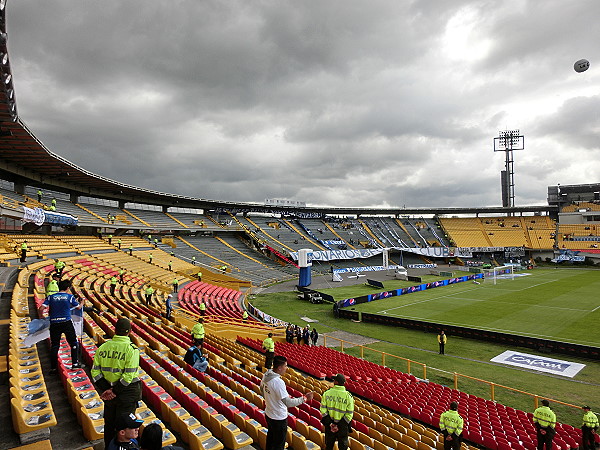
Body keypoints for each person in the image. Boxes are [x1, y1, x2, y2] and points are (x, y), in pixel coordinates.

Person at [92, 318, 142, 447]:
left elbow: (95, 373)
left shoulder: (102, 347)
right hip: (126, 393)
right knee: (126, 427)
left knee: (109, 424)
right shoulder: (132, 349)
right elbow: (128, 376)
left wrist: (107, 389)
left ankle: (109, 447)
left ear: (115, 330)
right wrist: (114, 391)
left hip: (109, 394)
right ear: (130, 332)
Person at [260, 356, 313, 450]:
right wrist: (304, 398)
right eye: (285, 366)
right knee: (279, 444)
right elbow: (288, 402)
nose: (286, 368)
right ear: (279, 367)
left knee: (271, 438)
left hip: (269, 413)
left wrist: (271, 400)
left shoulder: (266, 375)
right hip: (278, 417)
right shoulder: (278, 382)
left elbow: (262, 390)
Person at [39, 279, 82, 374]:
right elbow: (78, 307)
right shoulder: (69, 297)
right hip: (66, 322)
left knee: (55, 345)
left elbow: (41, 308)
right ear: (67, 288)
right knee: (73, 342)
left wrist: (41, 316)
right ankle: (75, 363)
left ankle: (53, 368)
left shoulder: (51, 297)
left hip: (54, 323)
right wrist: (82, 303)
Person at [321, 374, 354, 450]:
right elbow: (349, 414)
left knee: (329, 446)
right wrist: (339, 426)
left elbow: (323, 410)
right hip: (342, 428)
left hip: (329, 426)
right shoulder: (349, 397)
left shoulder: (327, 393)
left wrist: (331, 424)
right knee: (343, 447)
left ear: (336, 382)